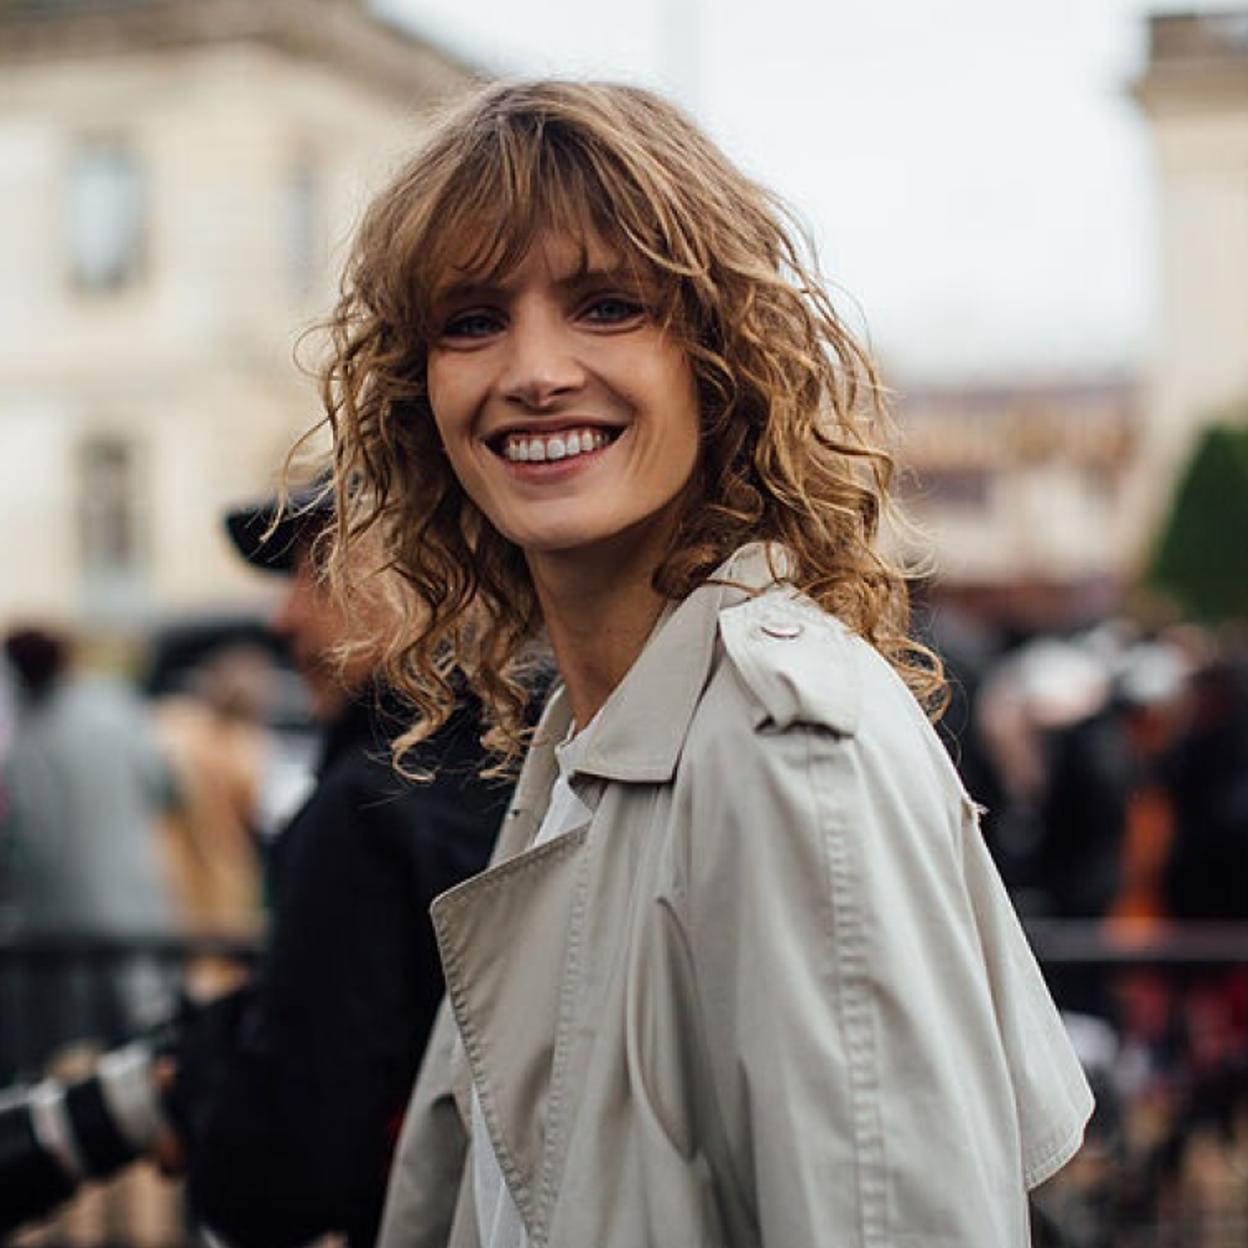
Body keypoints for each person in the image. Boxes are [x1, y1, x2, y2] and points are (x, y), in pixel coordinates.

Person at [314, 81, 1093, 1247]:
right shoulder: (583, 735)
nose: (534, 370)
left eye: (607, 306)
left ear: (717, 355)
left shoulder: (787, 754)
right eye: (471, 320)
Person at [164, 484, 508, 1248]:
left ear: (412, 576)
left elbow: (281, 1177)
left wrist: (210, 1079)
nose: (282, 618)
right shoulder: (536, 758)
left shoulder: (370, 806)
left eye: (315, 575)